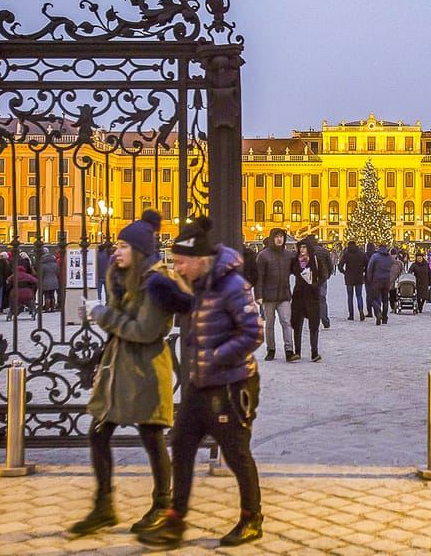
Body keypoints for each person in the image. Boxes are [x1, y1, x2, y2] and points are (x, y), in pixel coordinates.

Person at [138, 216, 264, 549]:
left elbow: (254, 332)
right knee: (181, 445)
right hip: (200, 384)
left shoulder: (233, 286)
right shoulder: (201, 284)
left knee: (236, 453)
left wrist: (218, 355)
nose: (177, 268)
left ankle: (251, 519)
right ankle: (175, 521)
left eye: (181, 261)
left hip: (231, 385)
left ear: (199, 259)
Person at [69, 211, 190, 537]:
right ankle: (103, 506)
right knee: (98, 433)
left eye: (123, 246)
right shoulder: (125, 279)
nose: (116, 250)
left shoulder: (156, 284)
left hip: (146, 369)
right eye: (117, 245)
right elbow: (122, 321)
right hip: (119, 368)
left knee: (152, 437)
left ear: (138, 251)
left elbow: (145, 331)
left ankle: (162, 505)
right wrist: (105, 305)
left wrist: (102, 314)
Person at [255, 228, 296, 362]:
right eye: (277, 237)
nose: (279, 239)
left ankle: (289, 350)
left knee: (286, 322)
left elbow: (297, 269)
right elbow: (259, 277)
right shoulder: (263, 255)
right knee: (270, 324)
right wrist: (258, 295)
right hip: (268, 296)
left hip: (284, 295)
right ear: (272, 238)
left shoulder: (288, 255)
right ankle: (271, 349)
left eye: (281, 237)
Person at [290, 238, 325, 361]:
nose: (302, 249)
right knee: (297, 325)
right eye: (301, 247)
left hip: (312, 296)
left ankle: (314, 352)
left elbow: (323, 276)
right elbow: (290, 271)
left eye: (304, 247)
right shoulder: (295, 261)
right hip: (298, 296)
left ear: (309, 248)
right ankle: (297, 352)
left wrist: (315, 285)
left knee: (314, 325)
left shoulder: (316, 260)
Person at [337, 240, 368, 321]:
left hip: (349, 278)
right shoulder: (361, 253)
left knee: (350, 297)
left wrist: (344, 272)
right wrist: (363, 271)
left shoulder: (346, 254)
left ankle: (351, 315)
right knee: (359, 295)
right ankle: (361, 310)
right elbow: (367, 264)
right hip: (359, 277)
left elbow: (340, 266)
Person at [366, 244, 394, 325]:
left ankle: (378, 312)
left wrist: (370, 279)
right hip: (386, 281)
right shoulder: (390, 258)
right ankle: (384, 318)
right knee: (385, 300)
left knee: (373, 298)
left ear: (379, 248)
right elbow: (393, 268)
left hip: (376, 281)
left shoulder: (375, 256)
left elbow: (369, 268)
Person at [39, 246, 60, 312]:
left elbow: (41, 274)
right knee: (52, 295)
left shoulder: (43, 265)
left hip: (45, 282)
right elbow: (58, 272)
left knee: (47, 296)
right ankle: (53, 308)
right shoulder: (55, 264)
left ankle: (47, 308)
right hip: (54, 281)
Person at [387, 247, 404, 312]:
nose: (393, 256)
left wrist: (401, 278)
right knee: (391, 295)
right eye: (392, 254)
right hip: (389, 281)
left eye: (394, 254)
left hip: (397, 281)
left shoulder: (399, 263)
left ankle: (395, 306)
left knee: (396, 295)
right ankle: (392, 307)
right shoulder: (387, 262)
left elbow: (402, 272)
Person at [364, 242, 377, 318]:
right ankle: (377, 310)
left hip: (367, 278)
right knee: (376, 295)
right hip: (376, 278)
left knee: (368, 295)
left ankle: (370, 312)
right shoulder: (377, 255)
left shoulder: (365, 255)